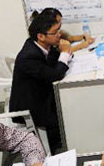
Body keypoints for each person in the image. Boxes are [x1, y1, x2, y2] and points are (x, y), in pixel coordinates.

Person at [9, 12, 71, 153]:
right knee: (68, 109)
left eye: (59, 30)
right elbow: (55, 75)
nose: (59, 35)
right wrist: (66, 52)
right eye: (55, 32)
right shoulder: (29, 56)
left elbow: (55, 63)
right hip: (31, 105)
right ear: (41, 36)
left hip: (41, 92)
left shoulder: (40, 45)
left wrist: (64, 53)